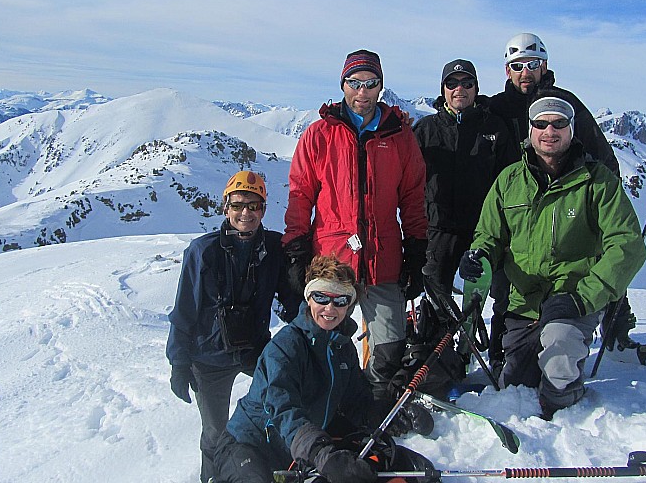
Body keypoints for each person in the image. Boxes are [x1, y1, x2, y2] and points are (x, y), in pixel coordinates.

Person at [460, 94, 646, 419]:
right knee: (516, 384)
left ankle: (563, 407)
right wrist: (480, 255)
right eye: (541, 123)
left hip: (573, 300)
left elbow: (628, 245)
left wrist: (583, 298)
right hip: (524, 305)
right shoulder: (509, 181)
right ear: (530, 130)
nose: (550, 131)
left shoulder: (597, 181)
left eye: (559, 123)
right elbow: (489, 235)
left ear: (571, 130)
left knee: (559, 356)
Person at [487, 32, 646, 368]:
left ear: (544, 66)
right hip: (515, 208)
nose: (526, 72)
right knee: (506, 286)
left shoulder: (565, 103)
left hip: (570, 203)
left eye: (533, 64)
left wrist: (598, 202)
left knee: (598, 266)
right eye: (518, 65)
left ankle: (617, 336)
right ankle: (503, 353)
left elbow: (600, 154)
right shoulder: (495, 108)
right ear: (507, 70)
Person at [282, 49, 429, 405]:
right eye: (355, 83)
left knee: (389, 347)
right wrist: (296, 247)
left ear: (380, 86)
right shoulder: (319, 135)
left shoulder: (400, 136)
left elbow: (413, 197)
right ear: (343, 85)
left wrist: (417, 247)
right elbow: (300, 195)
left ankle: (371, 407)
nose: (362, 91)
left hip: (383, 260)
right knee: (324, 341)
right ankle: (323, 406)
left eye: (371, 83)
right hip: (332, 260)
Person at [213, 254, 432, 483]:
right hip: (249, 444)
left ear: (349, 305)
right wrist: (321, 454)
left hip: (297, 450)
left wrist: (392, 414)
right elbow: (283, 409)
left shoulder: (342, 347)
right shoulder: (286, 347)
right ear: (309, 298)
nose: (330, 308)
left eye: (340, 300)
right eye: (321, 297)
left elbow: (357, 402)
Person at [165, 170, 301, 483]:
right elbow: (184, 311)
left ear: (263, 210)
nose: (245, 213)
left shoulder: (274, 248)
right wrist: (179, 363)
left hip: (255, 351)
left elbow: (290, 301)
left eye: (254, 206)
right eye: (238, 205)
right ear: (226, 207)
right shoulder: (202, 252)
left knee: (279, 407)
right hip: (209, 358)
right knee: (215, 432)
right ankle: (212, 477)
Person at [412, 58, 514, 310]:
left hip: (484, 229)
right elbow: (407, 180)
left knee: (494, 296)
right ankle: (437, 333)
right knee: (436, 298)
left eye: (467, 83)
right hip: (439, 229)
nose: (460, 89)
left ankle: (486, 329)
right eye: (452, 83)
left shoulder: (494, 128)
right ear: (443, 89)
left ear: (476, 88)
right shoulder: (425, 130)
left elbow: (510, 181)